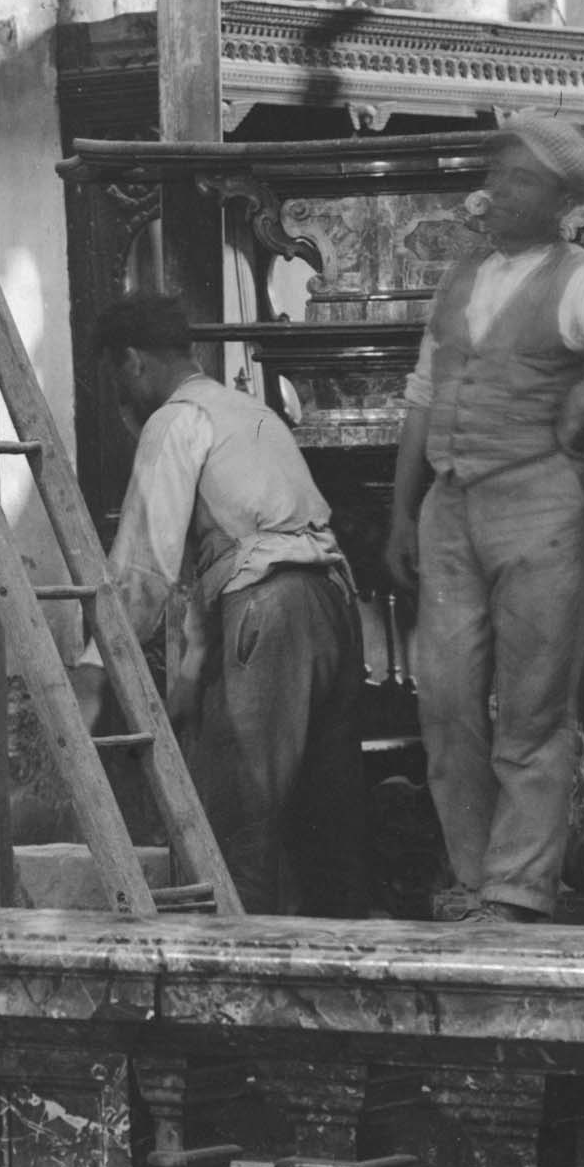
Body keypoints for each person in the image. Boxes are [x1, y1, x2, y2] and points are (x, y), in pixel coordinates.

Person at [383, 114, 584, 924]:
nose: (496, 191)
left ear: (563, 202)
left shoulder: (582, 280)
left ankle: (517, 891)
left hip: (539, 507)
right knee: (444, 704)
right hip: (449, 506)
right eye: (495, 174)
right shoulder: (460, 276)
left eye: (519, 180)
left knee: (531, 710)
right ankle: (472, 881)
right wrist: (401, 511)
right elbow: (423, 394)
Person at [93, 286, 369, 915]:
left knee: (239, 824)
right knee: (326, 827)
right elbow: (228, 552)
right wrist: (193, 673)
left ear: (134, 362)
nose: (120, 401)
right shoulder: (249, 413)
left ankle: (233, 966)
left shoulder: (176, 420)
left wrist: (94, 668)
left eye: (116, 381)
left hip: (271, 608)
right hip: (332, 600)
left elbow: (143, 572)